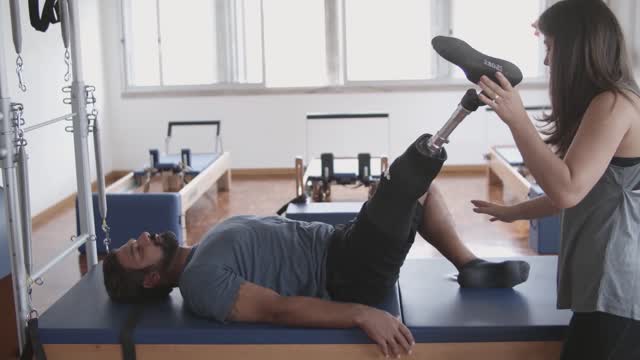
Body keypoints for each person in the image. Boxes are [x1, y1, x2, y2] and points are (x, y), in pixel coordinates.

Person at [102, 133, 531, 357]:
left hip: (342, 245)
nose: (143, 237)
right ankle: (459, 114)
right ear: (152, 279)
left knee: (419, 190)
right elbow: (276, 309)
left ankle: (469, 265)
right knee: (409, 179)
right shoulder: (200, 283)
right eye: (137, 250)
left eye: (134, 240)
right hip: (346, 275)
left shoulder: (201, 248)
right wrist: (363, 314)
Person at [471, 1, 640, 359]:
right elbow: (582, 190)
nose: (548, 62)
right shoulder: (606, 102)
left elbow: (566, 190)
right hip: (606, 285)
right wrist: (514, 213)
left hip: (620, 289)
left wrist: (517, 120)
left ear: (577, 47)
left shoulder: (615, 103)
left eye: (550, 47)